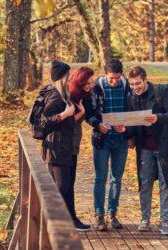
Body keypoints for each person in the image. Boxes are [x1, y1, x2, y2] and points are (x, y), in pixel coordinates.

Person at [126, 66, 168, 235]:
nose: (135, 87)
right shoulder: (132, 98)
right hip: (144, 148)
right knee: (145, 184)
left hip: (164, 146)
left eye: (138, 83)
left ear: (145, 80)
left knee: (166, 184)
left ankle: (164, 223)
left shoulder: (161, 91)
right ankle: (145, 220)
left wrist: (158, 118)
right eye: (132, 84)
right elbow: (133, 123)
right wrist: (126, 132)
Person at [86, 59, 132, 231]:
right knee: (100, 178)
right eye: (111, 78)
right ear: (105, 75)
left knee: (116, 179)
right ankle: (99, 216)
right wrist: (97, 125)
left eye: (117, 78)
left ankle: (112, 214)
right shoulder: (96, 87)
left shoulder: (126, 85)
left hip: (120, 140)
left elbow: (131, 110)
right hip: (102, 140)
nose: (114, 82)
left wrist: (126, 127)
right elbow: (89, 112)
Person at [39, 60, 78, 229]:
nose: (70, 80)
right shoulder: (55, 96)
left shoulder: (60, 93)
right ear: (62, 77)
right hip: (56, 148)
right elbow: (44, 122)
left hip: (61, 147)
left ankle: (53, 223)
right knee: (61, 188)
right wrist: (64, 114)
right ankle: (50, 224)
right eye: (68, 76)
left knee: (62, 187)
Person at [67, 66, 96, 231]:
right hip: (66, 145)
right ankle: (70, 219)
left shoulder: (84, 95)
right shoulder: (71, 96)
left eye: (92, 82)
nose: (90, 85)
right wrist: (82, 111)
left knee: (70, 182)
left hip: (74, 145)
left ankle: (70, 218)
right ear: (80, 80)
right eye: (88, 82)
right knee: (66, 184)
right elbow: (66, 124)